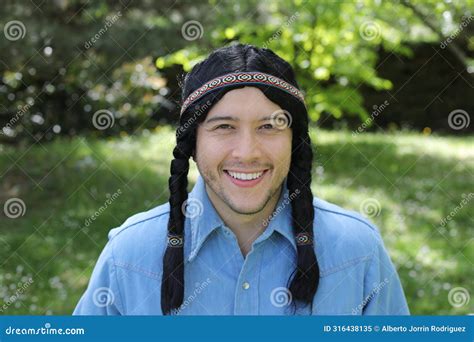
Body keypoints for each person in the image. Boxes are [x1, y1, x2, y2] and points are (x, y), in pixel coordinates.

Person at [73, 43, 409, 315]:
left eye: (269, 126)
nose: (247, 152)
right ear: (192, 143)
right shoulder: (128, 257)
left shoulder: (358, 251)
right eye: (224, 127)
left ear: (295, 140)